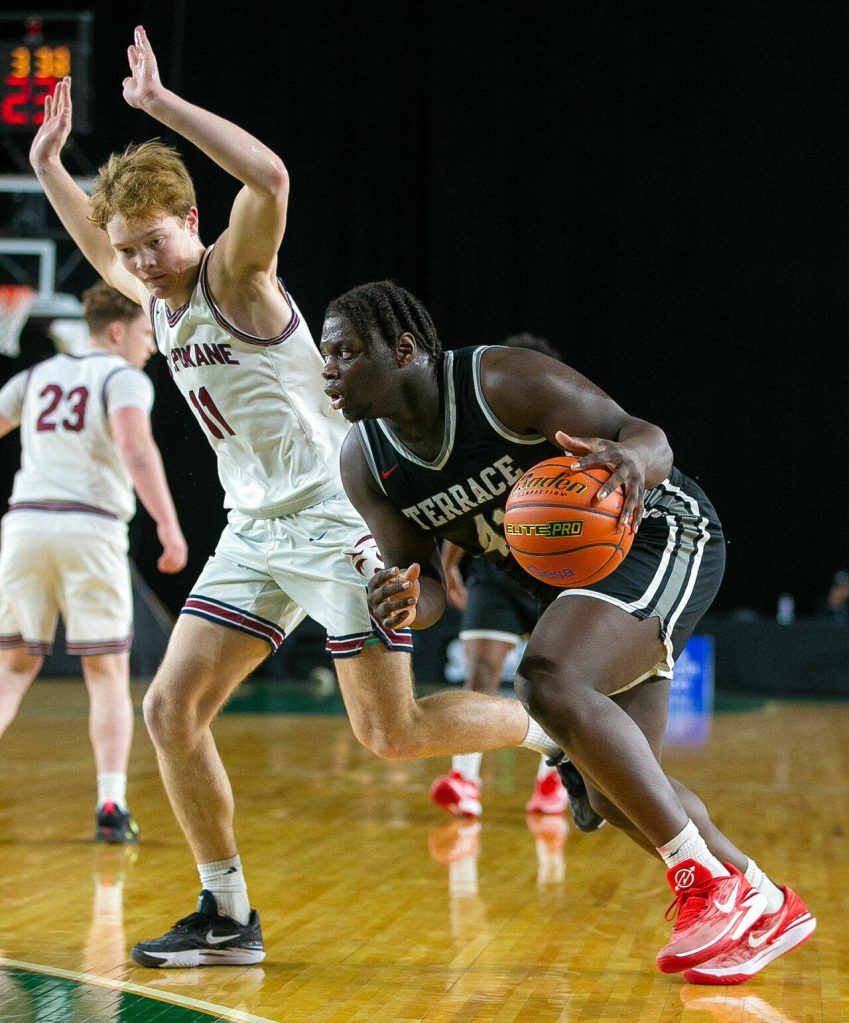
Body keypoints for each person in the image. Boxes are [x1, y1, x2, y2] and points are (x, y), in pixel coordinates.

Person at [28, 28, 570, 967]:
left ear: (192, 221)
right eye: (129, 251)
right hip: (252, 531)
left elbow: (271, 178)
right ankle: (227, 914)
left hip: (334, 520)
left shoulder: (235, 273)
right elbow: (91, 237)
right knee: (170, 712)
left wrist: (161, 107)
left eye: (154, 243)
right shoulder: (153, 294)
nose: (142, 263)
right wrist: (49, 168)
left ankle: (550, 734)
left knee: (390, 733)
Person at [319, 279, 816, 985]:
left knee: (547, 677)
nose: (328, 370)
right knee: (613, 789)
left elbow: (646, 435)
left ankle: (706, 884)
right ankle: (764, 899)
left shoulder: (498, 380)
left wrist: (630, 464)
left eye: (342, 351)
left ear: (401, 349)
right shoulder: (363, 461)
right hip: (580, 582)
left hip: (661, 533)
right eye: (323, 356)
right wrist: (403, 599)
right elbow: (426, 588)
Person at [0, 280, 188, 844]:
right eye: (143, 333)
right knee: (106, 673)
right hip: (90, 526)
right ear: (115, 330)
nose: (151, 346)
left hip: (26, 525)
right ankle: (111, 804)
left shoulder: (35, 377)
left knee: (10, 670)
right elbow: (135, 445)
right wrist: (168, 523)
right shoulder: (122, 376)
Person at [431, 333, 576, 824]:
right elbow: (465, 506)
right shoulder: (482, 434)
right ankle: (464, 780)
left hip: (555, 576)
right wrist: (449, 564)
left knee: (555, 686)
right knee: (480, 676)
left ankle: (554, 783)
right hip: (494, 572)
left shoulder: (564, 436)